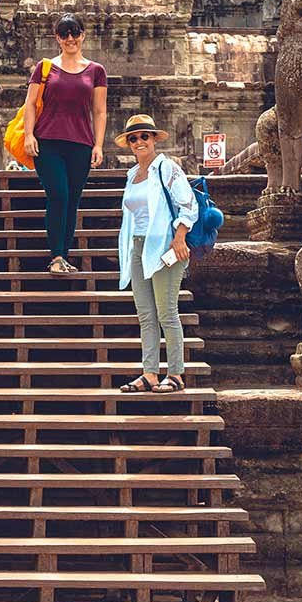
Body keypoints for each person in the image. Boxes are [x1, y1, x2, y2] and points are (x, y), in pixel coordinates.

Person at [113, 114, 198, 394]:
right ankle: (150, 372)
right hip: (138, 247)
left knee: (167, 313)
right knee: (146, 314)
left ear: (153, 140)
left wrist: (179, 238)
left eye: (144, 137)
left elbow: (188, 205)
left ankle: (175, 373)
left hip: (164, 246)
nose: (139, 142)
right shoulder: (131, 175)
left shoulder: (167, 168)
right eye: (133, 138)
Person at [21, 13, 108, 275]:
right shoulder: (45, 67)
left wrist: (99, 145)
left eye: (75, 33)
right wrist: (28, 135)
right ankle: (56, 255)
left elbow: (100, 111)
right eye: (64, 34)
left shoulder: (96, 70)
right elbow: (30, 104)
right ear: (57, 38)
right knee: (58, 194)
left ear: (82, 35)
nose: (70, 38)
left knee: (72, 200)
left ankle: (64, 255)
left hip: (81, 142)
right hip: (47, 141)